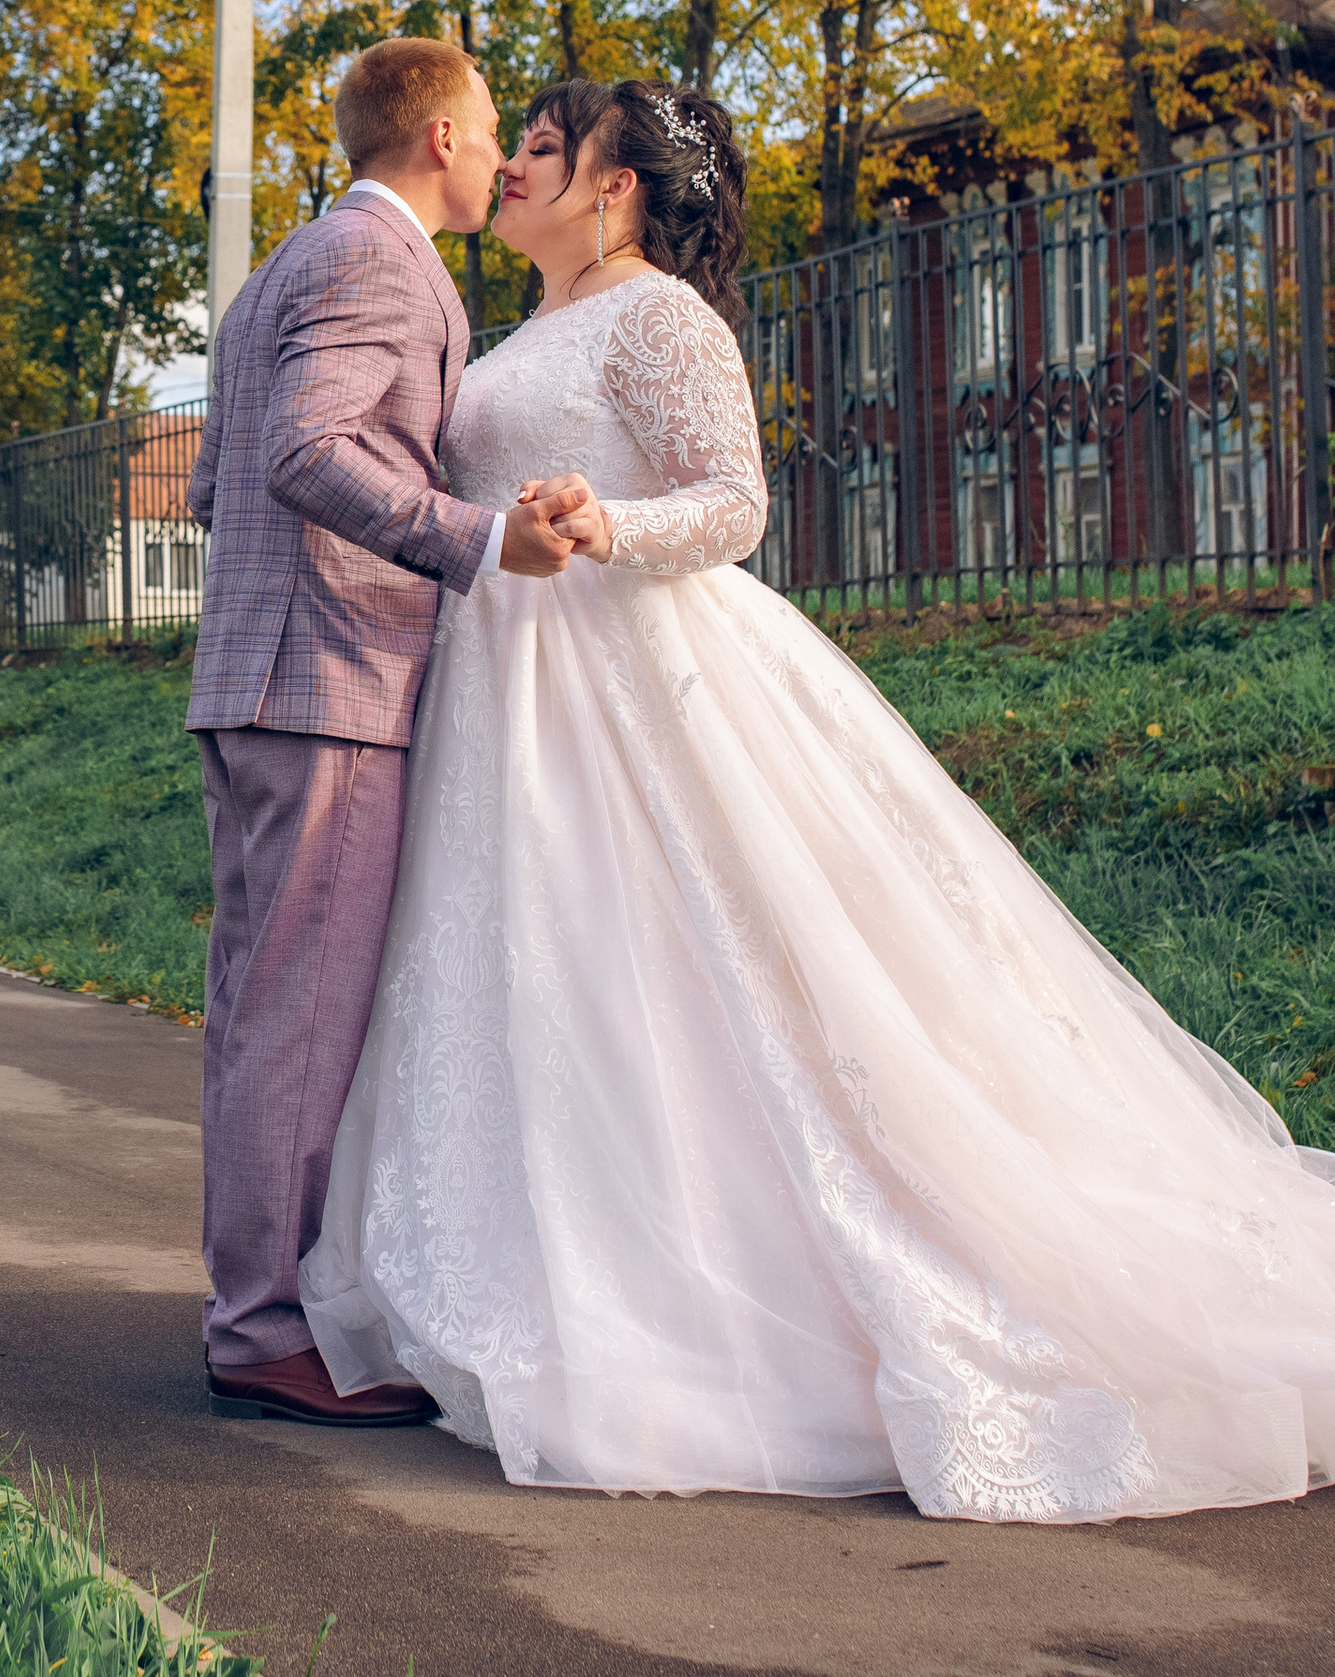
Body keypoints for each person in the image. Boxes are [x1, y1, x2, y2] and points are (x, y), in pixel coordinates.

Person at [300, 75, 1335, 1521]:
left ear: (616, 190)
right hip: (508, 691)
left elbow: (735, 502)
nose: (518, 163)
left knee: (684, 972)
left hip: (632, 672)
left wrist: (608, 523)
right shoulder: (521, 328)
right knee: (538, 980)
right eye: (518, 139)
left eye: (547, 146)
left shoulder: (661, 315)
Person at [184, 35, 587, 1429]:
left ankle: (251, 1311)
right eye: (487, 133)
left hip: (250, 682)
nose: (497, 155)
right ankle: (262, 1334)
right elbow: (305, 451)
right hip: (331, 689)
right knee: (294, 1023)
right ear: (437, 139)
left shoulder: (282, 267)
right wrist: (475, 541)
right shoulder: (378, 261)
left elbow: (217, 486)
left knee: (252, 1015)